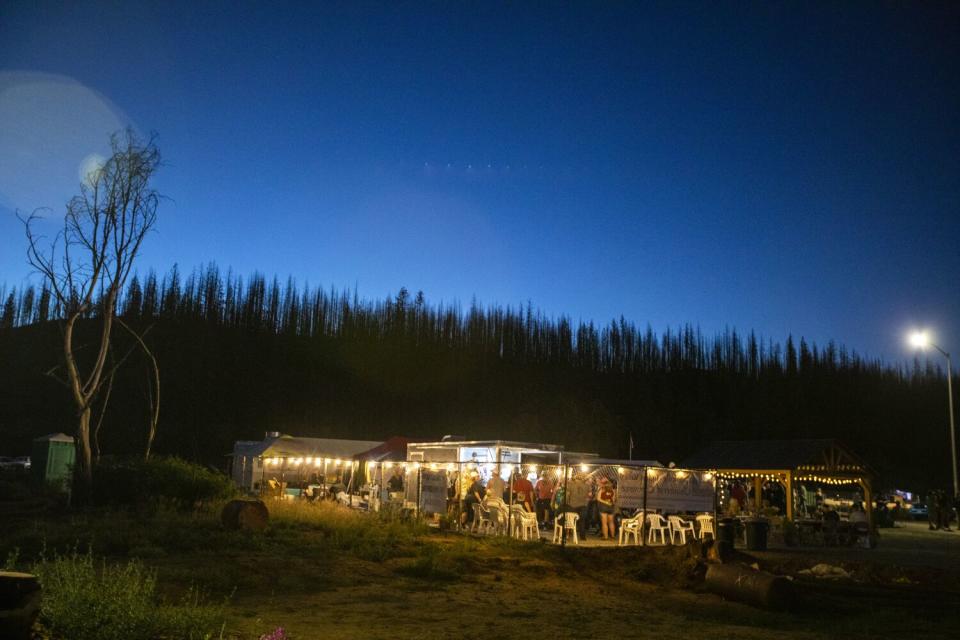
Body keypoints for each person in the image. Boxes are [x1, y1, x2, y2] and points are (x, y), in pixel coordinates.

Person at [597, 476, 617, 540]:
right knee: (611, 522)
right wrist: (610, 503)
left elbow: (598, 498)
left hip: (603, 507)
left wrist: (605, 502)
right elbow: (614, 500)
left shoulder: (601, 489)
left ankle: (605, 537)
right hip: (610, 508)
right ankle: (613, 536)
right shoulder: (613, 491)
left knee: (604, 523)